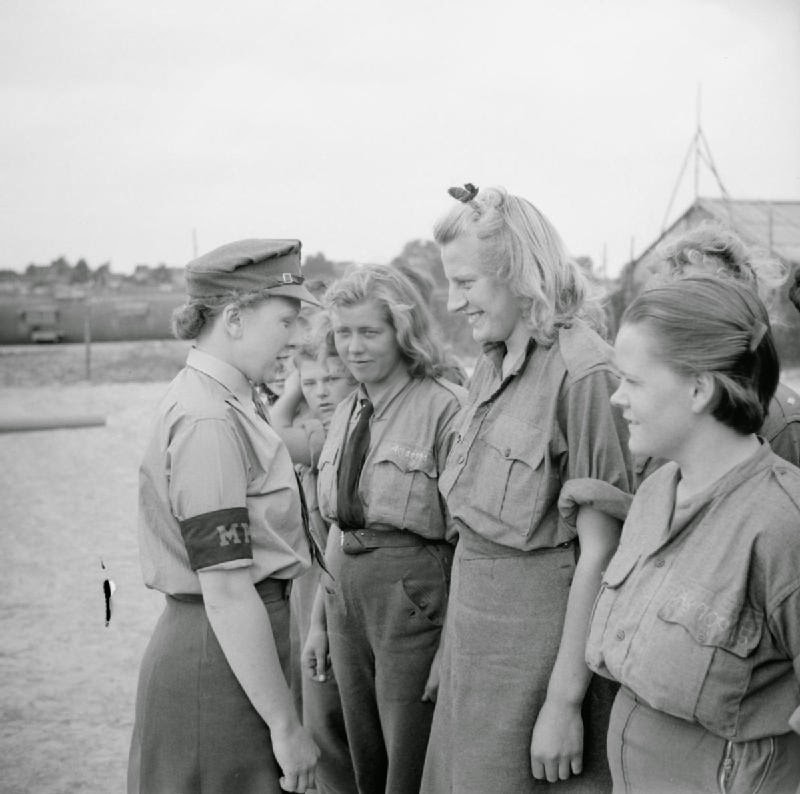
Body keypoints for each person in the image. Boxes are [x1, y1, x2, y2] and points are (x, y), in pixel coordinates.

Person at [421, 185, 633, 794]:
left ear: (517, 273)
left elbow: (603, 554)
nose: (454, 302)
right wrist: (448, 651)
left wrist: (564, 704)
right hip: (474, 649)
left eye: (466, 284)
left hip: (537, 661)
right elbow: (472, 536)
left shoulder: (587, 373)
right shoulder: (492, 358)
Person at [586, 276, 800, 792]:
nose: (617, 398)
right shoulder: (660, 487)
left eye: (633, 382)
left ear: (700, 389)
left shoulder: (783, 521)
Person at [128, 239, 321, 794]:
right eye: (285, 320)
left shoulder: (224, 398)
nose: (297, 337)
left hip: (234, 649)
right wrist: (286, 727)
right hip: (220, 657)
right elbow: (228, 589)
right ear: (235, 318)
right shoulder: (209, 421)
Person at [302, 264, 467, 794]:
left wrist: (453, 645)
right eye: (343, 333)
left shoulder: (445, 407)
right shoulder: (349, 406)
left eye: (368, 332)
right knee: (365, 759)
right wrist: (321, 623)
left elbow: (469, 542)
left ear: (403, 330)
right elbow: (337, 521)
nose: (352, 347)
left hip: (412, 599)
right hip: (345, 598)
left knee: (409, 759)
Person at [273, 322, 360, 794]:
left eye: (333, 378)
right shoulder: (315, 428)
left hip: (331, 590)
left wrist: (290, 390)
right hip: (311, 586)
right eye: (311, 383)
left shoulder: (331, 436)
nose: (321, 392)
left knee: (329, 720)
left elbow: (268, 436)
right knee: (316, 714)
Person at [650, 222, 800, 468]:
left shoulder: (779, 417)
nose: (685, 309)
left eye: (705, 296)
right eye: (677, 294)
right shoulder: (663, 401)